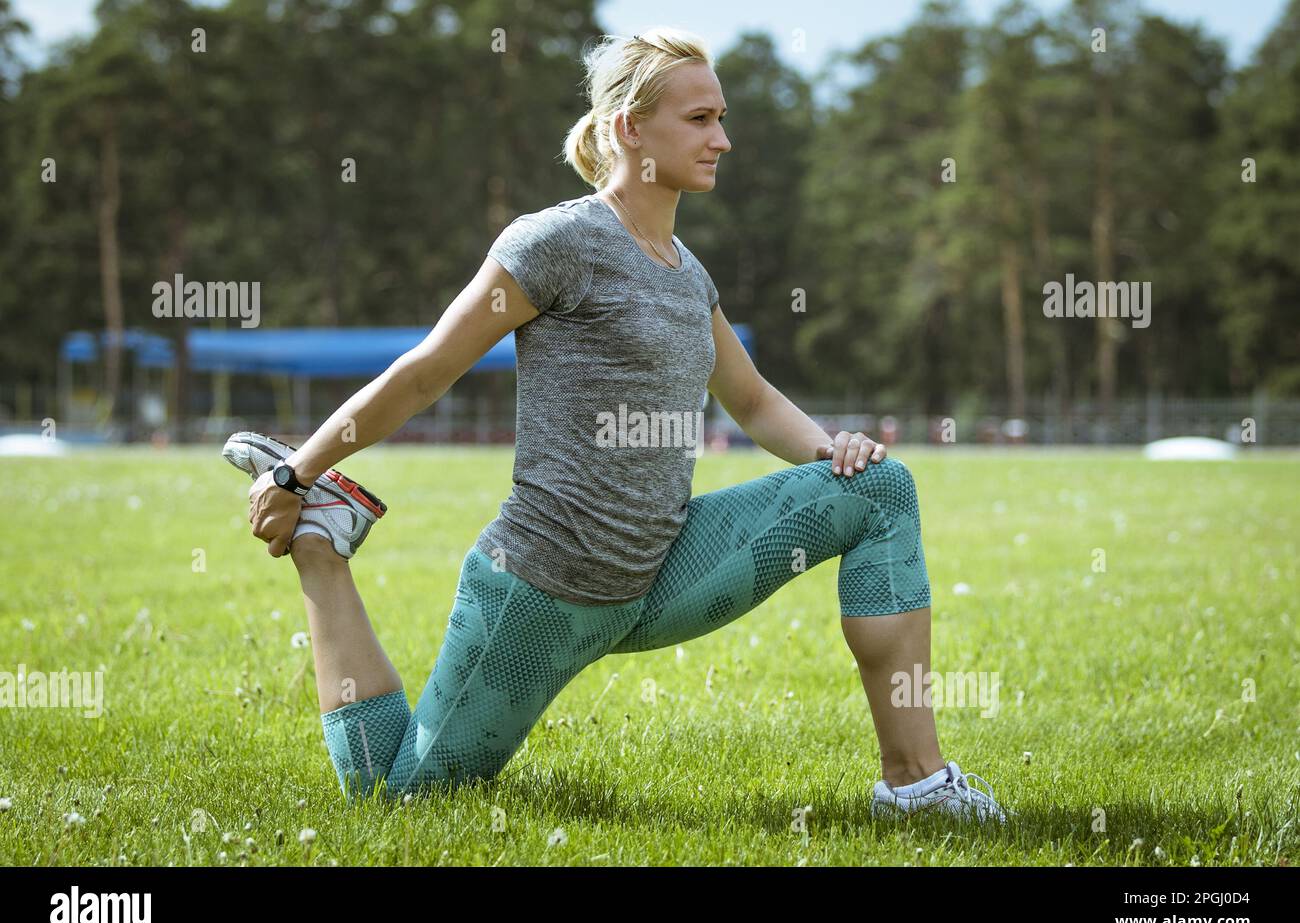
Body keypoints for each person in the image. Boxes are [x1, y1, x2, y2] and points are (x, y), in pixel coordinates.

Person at [231, 27, 1009, 824]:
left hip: (662, 570)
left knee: (881, 490)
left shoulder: (687, 272)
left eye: (722, 117)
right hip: (541, 589)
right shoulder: (555, 243)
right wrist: (298, 474)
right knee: (397, 801)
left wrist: (830, 448)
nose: (723, 139)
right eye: (700, 119)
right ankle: (323, 545)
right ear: (630, 128)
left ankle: (915, 785)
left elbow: (750, 400)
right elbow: (425, 371)